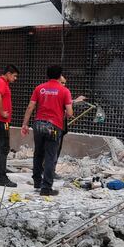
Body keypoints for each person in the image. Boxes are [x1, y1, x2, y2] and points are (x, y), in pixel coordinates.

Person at [20, 65, 85, 196]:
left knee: (38, 154)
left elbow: (30, 107)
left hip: (38, 125)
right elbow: (70, 113)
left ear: (47, 75)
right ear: (60, 76)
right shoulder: (64, 91)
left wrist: (24, 124)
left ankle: (37, 182)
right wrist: (64, 112)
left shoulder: (39, 88)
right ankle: (46, 188)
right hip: (53, 127)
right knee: (50, 156)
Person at [0, 64, 19, 187]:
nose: (15, 79)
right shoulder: (1, 83)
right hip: (1, 121)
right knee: (4, 147)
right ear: (8, 74)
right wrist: (2, 112)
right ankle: (2, 177)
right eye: (14, 76)